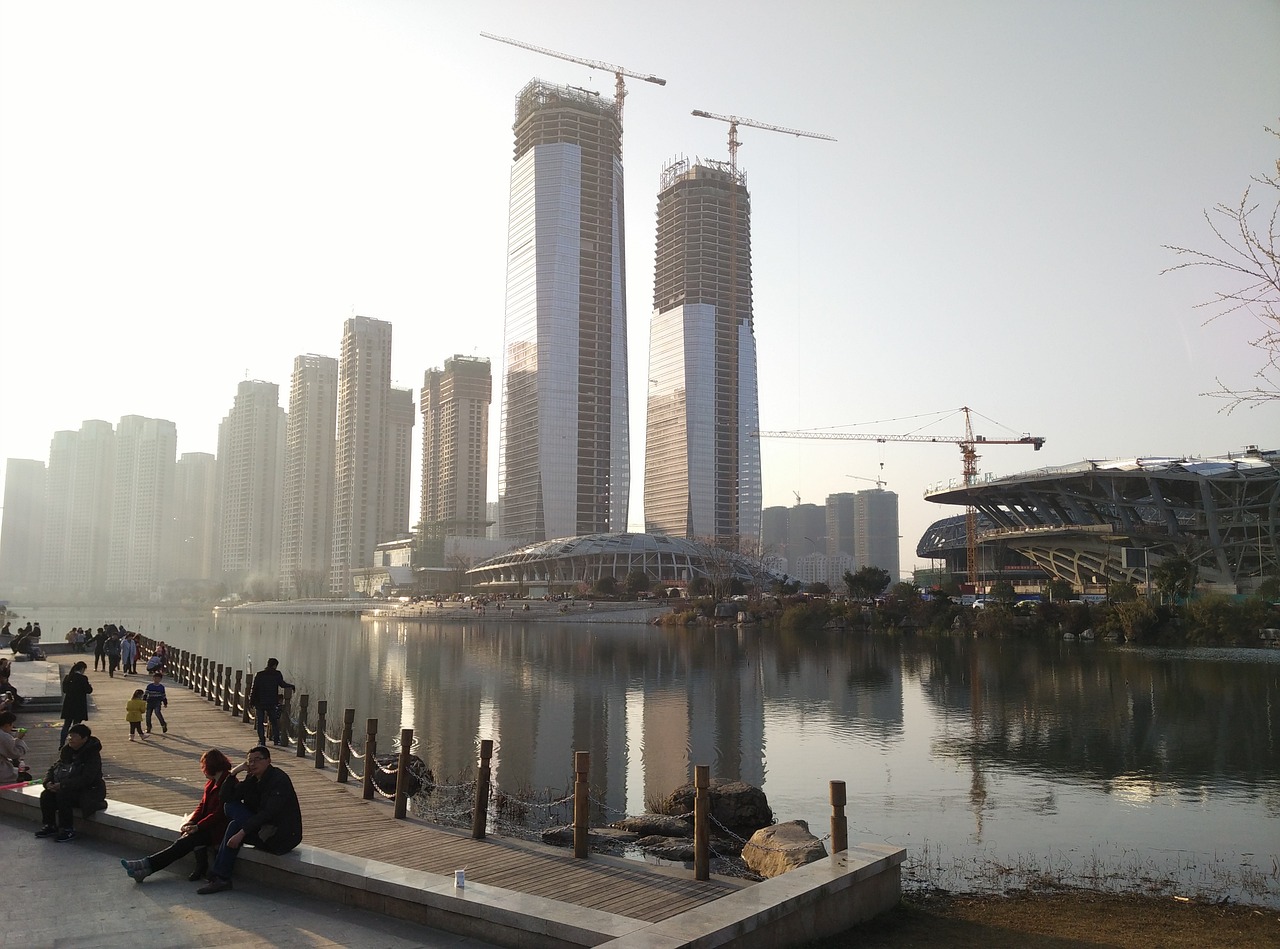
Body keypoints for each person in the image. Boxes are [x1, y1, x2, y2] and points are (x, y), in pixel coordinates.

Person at [120, 748, 238, 883]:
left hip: (219, 829)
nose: (203, 771)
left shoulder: (229, 783)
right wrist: (192, 821)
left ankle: (146, 864)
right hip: (207, 826)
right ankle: (146, 868)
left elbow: (219, 813)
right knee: (186, 838)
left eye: (204, 767)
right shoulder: (212, 782)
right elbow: (202, 805)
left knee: (184, 842)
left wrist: (198, 826)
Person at [197, 745, 302, 894]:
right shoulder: (252, 779)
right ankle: (221, 878)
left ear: (268, 761)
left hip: (280, 836)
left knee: (235, 825)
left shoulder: (279, 780)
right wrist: (234, 772)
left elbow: (268, 813)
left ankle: (220, 876)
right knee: (230, 808)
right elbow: (226, 797)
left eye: (257, 760)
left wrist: (242, 833)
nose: (252, 764)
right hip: (261, 830)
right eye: (249, 761)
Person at [34, 723, 106, 842]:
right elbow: (54, 768)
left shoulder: (92, 755)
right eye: (70, 736)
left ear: (84, 738)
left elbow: (87, 779)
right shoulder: (67, 750)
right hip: (68, 787)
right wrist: (48, 782)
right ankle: (50, 825)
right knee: (46, 794)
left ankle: (67, 829)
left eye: (74, 736)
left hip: (89, 791)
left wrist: (63, 785)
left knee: (63, 795)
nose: (70, 739)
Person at [249, 658, 294, 746]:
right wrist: (291, 686)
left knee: (260, 722)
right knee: (274, 721)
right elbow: (282, 684)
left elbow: (254, 689)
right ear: (275, 665)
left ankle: (262, 740)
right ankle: (276, 739)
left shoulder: (259, 674)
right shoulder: (277, 674)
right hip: (271, 702)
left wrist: (251, 701)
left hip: (259, 702)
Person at [59, 660, 93, 748]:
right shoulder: (83, 678)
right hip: (79, 705)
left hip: (68, 704)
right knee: (76, 727)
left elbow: (65, 690)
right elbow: (89, 690)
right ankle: (74, 744)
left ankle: (62, 744)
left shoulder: (68, 677)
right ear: (82, 669)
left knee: (66, 725)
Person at [0, 711, 29, 785]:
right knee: (26, 777)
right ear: (7, 725)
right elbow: (15, 753)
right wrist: (19, 739)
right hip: (2, 771)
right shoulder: (4, 736)